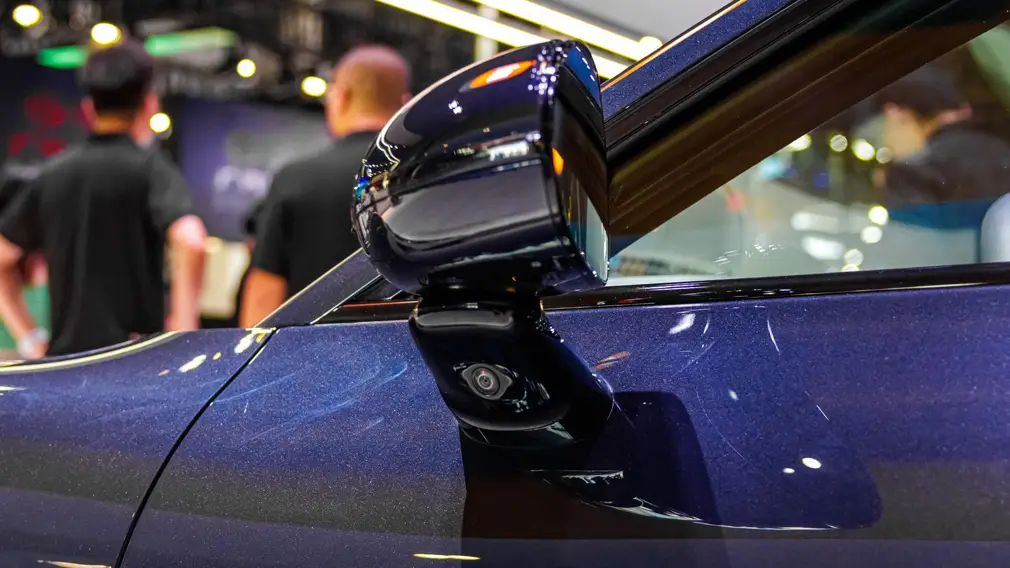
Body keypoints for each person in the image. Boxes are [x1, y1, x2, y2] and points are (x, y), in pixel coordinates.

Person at [0, 40, 207, 358]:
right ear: (150, 103)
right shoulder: (150, 169)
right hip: (133, 360)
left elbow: (3, 256)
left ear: (88, 108)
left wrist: (28, 338)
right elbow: (191, 240)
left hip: (66, 363)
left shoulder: (53, 173)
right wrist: (183, 329)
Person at [239, 45, 411, 327]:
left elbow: (263, 298)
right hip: (408, 351)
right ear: (405, 102)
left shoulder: (295, 179)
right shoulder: (424, 180)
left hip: (307, 352)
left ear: (341, 96)